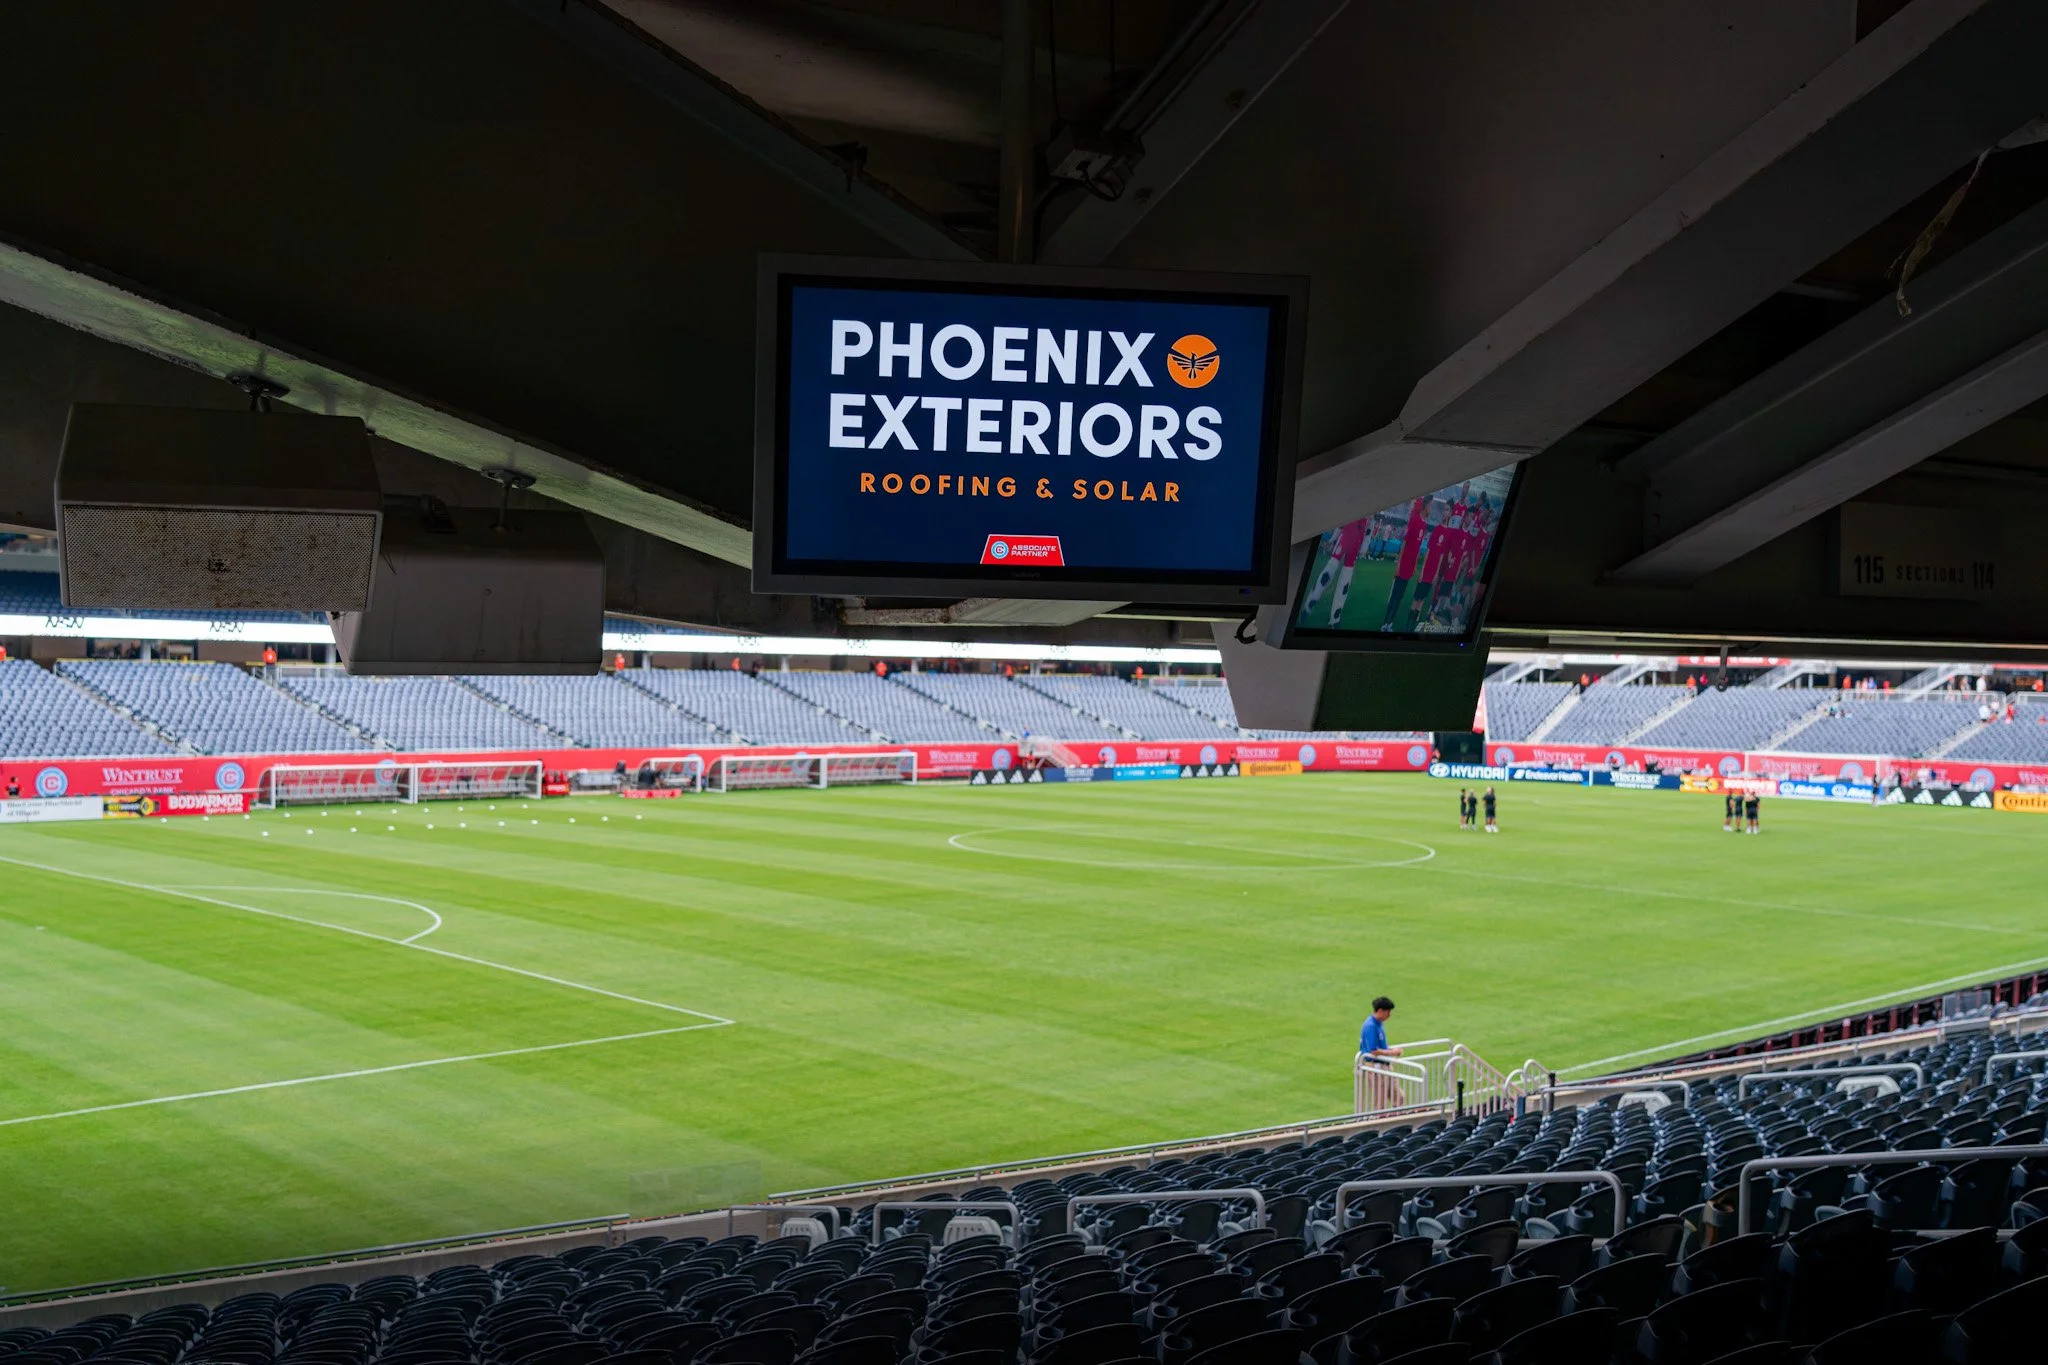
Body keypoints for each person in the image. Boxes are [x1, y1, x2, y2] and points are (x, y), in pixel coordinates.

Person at [1359, 996, 1401, 1108]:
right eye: (1388, 1012)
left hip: (1384, 1064)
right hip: (1376, 1066)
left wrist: (1390, 1051)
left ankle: (1397, 1118)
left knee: (1399, 1097)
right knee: (1380, 1101)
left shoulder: (1378, 1023)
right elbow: (1374, 1051)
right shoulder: (1370, 1026)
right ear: (1380, 1011)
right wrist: (1393, 1052)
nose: (1389, 1015)